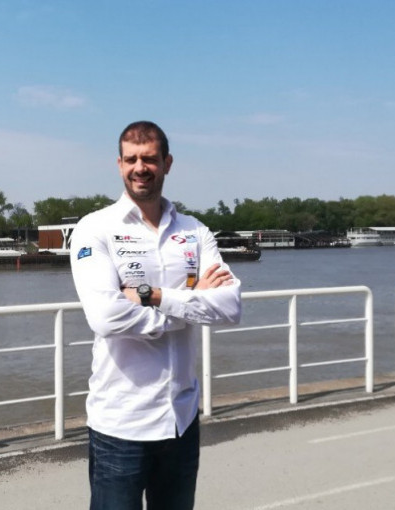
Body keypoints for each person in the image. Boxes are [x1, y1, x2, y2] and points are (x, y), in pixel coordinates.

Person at [69, 120, 242, 509]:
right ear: (119, 164)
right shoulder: (95, 229)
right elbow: (106, 317)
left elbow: (231, 307)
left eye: (149, 158)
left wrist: (154, 295)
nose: (140, 168)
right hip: (120, 425)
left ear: (167, 163)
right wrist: (190, 305)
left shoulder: (194, 231)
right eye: (131, 159)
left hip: (181, 420)